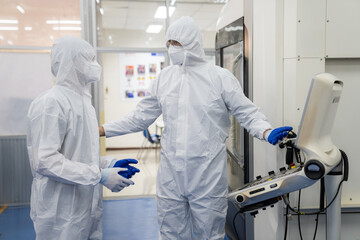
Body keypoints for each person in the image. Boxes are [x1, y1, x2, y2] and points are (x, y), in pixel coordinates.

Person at [99, 16, 292, 239]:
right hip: (171, 175)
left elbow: (246, 112)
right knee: (170, 233)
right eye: (169, 43)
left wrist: (265, 131)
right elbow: (139, 118)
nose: (172, 48)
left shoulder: (219, 78)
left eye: (177, 43)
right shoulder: (164, 78)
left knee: (209, 234)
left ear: (192, 43)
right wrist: (103, 129)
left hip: (207, 175)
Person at [26, 36, 137, 240]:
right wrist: (99, 175)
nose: (95, 65)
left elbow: (80, 153)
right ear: (72, 62)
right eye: (90, 59)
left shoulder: (85, 104)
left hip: (86, 206)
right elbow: (45, 161)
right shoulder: (51, 103)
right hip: (60, 211)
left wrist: (108, 164)